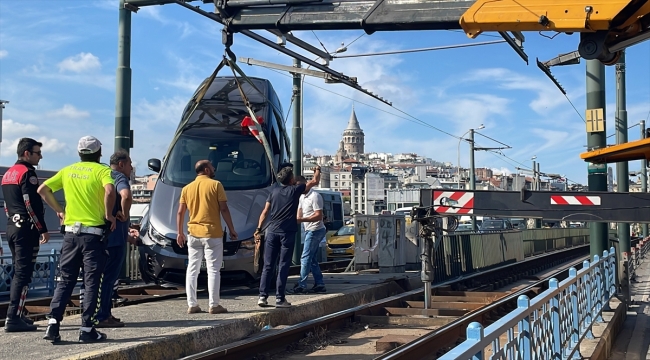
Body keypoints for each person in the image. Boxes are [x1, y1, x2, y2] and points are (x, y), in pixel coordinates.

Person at [37, 136, 116, 343]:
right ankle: (87, 328)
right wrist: (109, 215)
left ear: (79, 153)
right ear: (99, 153)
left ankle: (53, 325)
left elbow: (42, 190)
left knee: (65, 280)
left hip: (70, 235)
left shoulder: (67, 170)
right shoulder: (103, 171)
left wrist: (60, 211)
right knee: (92, 282)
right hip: (93, 236)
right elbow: (109, 190)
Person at [255, 165, 321, 308]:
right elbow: (315, 181)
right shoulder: (295, 190)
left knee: (268, 265)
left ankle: (262, 296)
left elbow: (265, 212)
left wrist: (258, 228)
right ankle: (280, 299)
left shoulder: (273, 192)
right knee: (283, 265)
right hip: (287, 233)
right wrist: (317, 170)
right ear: (291, 180)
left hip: (271, 231)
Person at [177, 160, 238, 314]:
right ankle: (214, 304)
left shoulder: (186, 188)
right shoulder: (216, 185)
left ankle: (192, 304)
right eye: (212, 166)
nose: (214, 168)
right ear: (206, 170)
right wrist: (231, 229)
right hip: (212, 234)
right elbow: (223, 209)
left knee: (192, 269)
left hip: (193, 234)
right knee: (213, 270)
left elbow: (180, 212)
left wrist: (179, 232)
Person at [1, 138, 49, 332]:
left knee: (19, 271)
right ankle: (13, 317)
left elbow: (7, 205)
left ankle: (18, 314)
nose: (41, 156)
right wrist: (42, 228)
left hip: (12, 227)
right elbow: (31, 203)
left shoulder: (8, 174)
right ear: (27, 153)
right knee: (24, 273)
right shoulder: (28, 174)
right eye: (38, 153)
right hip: (26, 230)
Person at [93, 150, 133, 328]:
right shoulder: (119, 178)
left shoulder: (102, 175)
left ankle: (104, 313)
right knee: (109, 278)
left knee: (99, 277)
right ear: (122, 164)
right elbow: (126, 195)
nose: (132, 168)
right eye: (130, 164)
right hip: (115, 237)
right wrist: (124, 214)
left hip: (100, 235)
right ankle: (103, 315)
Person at [290, 176, 327, 294]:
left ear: (305, 184)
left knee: (305, 257)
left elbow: (319, 216)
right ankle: (320, 284)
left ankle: (302, 284)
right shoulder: (301, 196)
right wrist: (297, 218)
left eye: (300, 185)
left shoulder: (315, 196)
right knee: (312, 259)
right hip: (309, 230)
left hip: (315, 229)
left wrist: (301, 220)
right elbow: (299, 211)